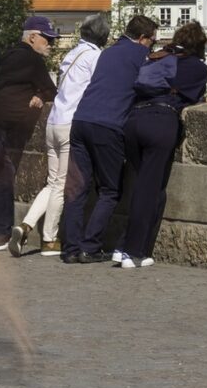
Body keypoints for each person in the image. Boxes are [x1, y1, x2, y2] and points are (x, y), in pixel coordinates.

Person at [59, 15, 157, 264]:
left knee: (76, 189)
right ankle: (90, 247)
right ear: (143, 38)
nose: (152, 47)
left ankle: (70, 249)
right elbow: (151, 87)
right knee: (110, 190)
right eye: (152, 42)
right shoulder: (140, 56)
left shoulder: (107, 53)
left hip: (80, 121)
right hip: (108, 126)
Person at [115, 20, 207, 268]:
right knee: (148, 190)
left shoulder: (156, 58)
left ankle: (126, 246)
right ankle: (132, 252)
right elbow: (190, 97)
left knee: (146, 188)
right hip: (160, 122)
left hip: (134, 120)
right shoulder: (197, 68)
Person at [0, 16, 59, 252]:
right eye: (47, 39)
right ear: (32, 37)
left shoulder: (12, 55)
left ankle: (1, 231)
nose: (50, 44)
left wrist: (38, 92)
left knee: (3, 174)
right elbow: (53, 90)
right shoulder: (30, 58)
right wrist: (42, 93)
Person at [13, 13, 107, 257]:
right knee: (62, 185)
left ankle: (25, 225)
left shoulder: (71, 53)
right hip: (70, 123)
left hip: (53, 121)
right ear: (103, 36)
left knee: (53, 181)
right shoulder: (95, 56)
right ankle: (49, 239)